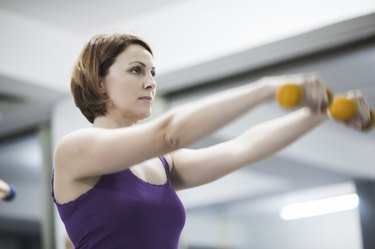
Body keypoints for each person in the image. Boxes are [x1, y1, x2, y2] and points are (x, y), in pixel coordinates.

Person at [51, 33, 371, 249]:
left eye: (153, 73)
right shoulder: (75, 150)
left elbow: (241, 148)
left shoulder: (163, 163)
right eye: (137, 71)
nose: (151, 83)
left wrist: (321, 114)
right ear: (99, 83)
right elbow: (169, 133)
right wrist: (266, 89)